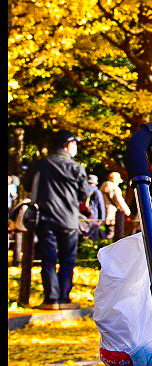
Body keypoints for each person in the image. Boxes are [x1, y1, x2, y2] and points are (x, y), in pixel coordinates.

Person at [27, 130, 90, 310]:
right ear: (67, 144)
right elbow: (84, 193)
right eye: (75, 144)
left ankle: (51, 299)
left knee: (48, 258)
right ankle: (64, 298)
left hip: (45, 218)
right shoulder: (76, 167)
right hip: (69, 219)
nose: (76, 147)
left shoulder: (40, 164)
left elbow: (27, 184)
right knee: (67, 259)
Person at [100, 172, 132, 239]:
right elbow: (119, 201)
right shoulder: (115, 188)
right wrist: (127, 211)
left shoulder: (102, 187)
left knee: (105, 234)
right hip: (112, 214)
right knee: (112, 235)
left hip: (102, 213)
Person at [83, 174, 106, 240]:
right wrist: (102, 218)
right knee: (93, 235)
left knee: (84, 233)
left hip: (82, 215)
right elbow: (100, 205)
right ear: (95, 183)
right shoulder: (97, 191)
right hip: (93, 215)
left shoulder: (83, 190)